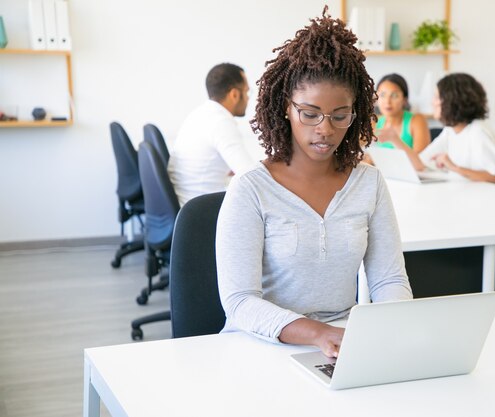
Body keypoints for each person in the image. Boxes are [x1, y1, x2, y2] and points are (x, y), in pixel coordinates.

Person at [216, 7, 413, 358]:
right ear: (285, 109)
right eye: (310, 114)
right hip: (262, 345)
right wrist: (320, 334)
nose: (325, 129)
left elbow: (389, 281)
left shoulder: (369, 183)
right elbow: (240, 302)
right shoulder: (250, 190)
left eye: (340, 116)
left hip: (342, 345)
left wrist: (391, 331)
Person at [167, 63, 256, 206]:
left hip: (186, 203)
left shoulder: (201, 114)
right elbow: (250, 177)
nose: (247, 98)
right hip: (199, 211)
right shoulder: (221, 122)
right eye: (246, 92)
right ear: (234, 94)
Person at [414, 73, 495, 185]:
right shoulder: (450, 130)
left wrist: (453, 167)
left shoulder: (478, 132)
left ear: (453, 101)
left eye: (437, 97)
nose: (432, 102)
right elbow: (421, 162)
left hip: (491, 197)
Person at [368, 73, 430, 168]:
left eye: (394, 95)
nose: (388, 101)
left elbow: (421, 164)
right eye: (383, 95)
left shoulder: (416, 120)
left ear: (404, 100)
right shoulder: (374, 123)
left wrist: (395, 140)